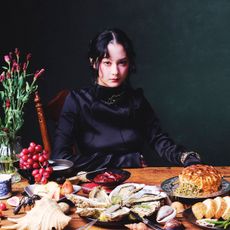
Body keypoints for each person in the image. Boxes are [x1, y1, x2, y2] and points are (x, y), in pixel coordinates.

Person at [51, 28, 201, 172]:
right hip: (94, 185)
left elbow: (158, 139)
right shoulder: (76, 101)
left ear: (129, 64)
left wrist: (184, 157)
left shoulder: (136, 100)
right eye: (107, 63)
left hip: (136, 182)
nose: (115, 72)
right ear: (94, 63)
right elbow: (60, 159)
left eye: (122, 62)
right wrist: (124, 161)